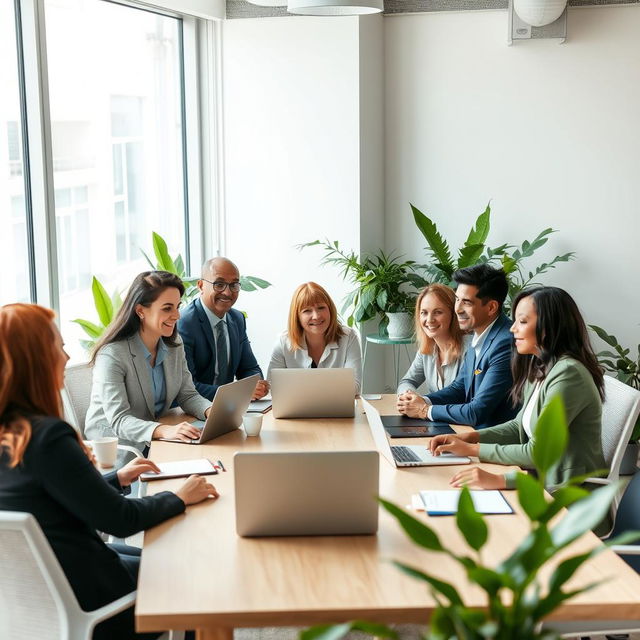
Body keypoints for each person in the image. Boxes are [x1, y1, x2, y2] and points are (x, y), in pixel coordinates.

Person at [0, 303, 218, 640]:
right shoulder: (48, 437)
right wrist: (178, 497)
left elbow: (48, 495)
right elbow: (120, 520)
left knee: (147, 555)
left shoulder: (13, 433)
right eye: (58, 346)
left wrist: (116, 478)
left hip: (35, 592)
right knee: (192, 574)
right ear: (36, 360)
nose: (67, 356)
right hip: (91, 601)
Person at [429, 286, 606, 491]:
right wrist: (471, 437)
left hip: (566, 496)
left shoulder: (569, 374)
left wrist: (476, 454)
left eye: (522, 322)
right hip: (540, 480)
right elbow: (518, 427)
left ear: (548, 327)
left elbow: (537, 451)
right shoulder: (542, 366)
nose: (513, 329)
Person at [85, 271, 212, 452]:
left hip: (156, 440)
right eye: (167, 308)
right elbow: (119, 419)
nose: (177, 315)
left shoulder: (174, 345)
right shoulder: (112, 355)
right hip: (118, 448)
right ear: (140, 311)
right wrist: (164, 430)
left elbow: (188, 395)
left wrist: (211, 412)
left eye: (178, 306)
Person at [397, 264, 518, 429]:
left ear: (491, 307)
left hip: (490, 442)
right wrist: (421, 402)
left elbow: (476, 412)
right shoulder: (481, 335)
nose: (458, 309)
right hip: (469, 433)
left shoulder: (505, 343)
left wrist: (425, 411)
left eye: (466, 302)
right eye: (457, 300)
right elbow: (459, 388)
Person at [178, 257, 268, 402]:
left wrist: (255, 385)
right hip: (190, 412)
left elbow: (249, 368)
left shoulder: (237, 318)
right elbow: (187, 387)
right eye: (219, 284)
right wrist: (237, 393)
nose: (227, 292)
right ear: (201, 286)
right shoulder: (185, 323)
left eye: (234, 285)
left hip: (228, 409)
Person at [267, 282, 362, 394]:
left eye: (321, 308)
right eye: (307, 311)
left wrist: (299, 389)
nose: (316, 316)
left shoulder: (348, 337)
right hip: (297, 410)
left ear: (330, 310)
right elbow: (272, 386)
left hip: (336, 409)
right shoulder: (283, 342)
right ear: (297, 316)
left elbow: (355, 386)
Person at [397, 283, 472, 395]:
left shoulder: (470, 348)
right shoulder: (426, 349)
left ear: (453, 314)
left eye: (438, 312)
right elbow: (407, 381)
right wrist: (409, 395)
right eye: (424, 313)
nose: (429, 319)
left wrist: (424, 403)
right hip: (431, 411)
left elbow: (465, 397)